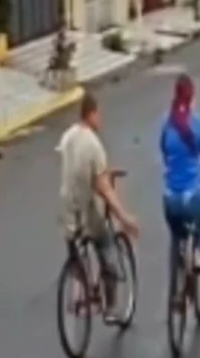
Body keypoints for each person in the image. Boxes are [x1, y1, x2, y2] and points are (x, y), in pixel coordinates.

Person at [57, 92, 139, 315]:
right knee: (107, 247)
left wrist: (103, 172)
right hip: (90, 214)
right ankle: (110, 306)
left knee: (75, 248)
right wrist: (124, 217)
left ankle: (79, 281)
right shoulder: (95, 146)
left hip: (67, 210)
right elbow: (103, 188)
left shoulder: (68, 137)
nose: (101, 119)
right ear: (91, 114)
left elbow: (78, 169)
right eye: (99, 114)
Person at [159, 74, 200, 271]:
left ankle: (179, 254)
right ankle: (198, 250)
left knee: (176, 227)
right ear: (192, 98)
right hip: (190, 197)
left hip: (169, 201)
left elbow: (165, 151)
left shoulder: (167, 124)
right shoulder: (195, 124)